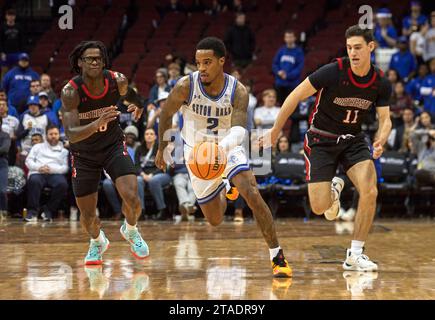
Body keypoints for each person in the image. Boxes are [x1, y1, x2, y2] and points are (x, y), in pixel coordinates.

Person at [155, 37, 292, 278]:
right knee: (215, 219)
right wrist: (161, 148)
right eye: (198, 63)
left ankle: (277, 255)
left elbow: (239, 130)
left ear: (221, 61)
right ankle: (224, 186)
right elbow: (166, 115)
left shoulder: (238, 90)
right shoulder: (185, 86)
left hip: (228, 146)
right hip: (196, 153)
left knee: (252, 192)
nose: (202, 68)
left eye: (207, 62)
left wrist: (220, 148)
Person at [262, 25, 392, 271]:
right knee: (320, 208)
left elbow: (386, 119)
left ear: (371, 48)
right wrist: (275, 130)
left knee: (370, 190)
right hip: (321, 139)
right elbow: (294, 95)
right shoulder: (333, 71)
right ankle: (333, 191)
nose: (353, 52)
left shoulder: (380, 82)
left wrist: (381, 139)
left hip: (353, 140)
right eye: (349, 48)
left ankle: (355, 254)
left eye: (358, 48)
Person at [60, 41, 149, 265]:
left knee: (133, 198)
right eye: (89, 58)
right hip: (83, 155)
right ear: (80, 62)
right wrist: (97, 122)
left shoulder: (115, 80)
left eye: (98, 58)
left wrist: (139, 104)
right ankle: (97, 242)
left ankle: (130, 230)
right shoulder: (71, 91)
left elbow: (130, 94)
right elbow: (71, 133)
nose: (94, 62)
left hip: (113, 146)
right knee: (89, 216)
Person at [24, 125, 69, 222]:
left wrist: (51, 169)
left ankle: (48, 210)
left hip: (55, 173)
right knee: (34, 181)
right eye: (51, 134)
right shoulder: (37, 147)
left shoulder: (64, 151)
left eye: (56, 134)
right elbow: (28, 161)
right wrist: (39, 168)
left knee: (63, 184)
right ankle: (32, 212)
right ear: (46, 135)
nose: (53, 136)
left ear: (59, 135)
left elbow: (65, 167)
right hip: (38, 172)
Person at [272, 29, 305, 105]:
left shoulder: (299, 51)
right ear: (284, 38)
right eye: (287, 37)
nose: (289, 39)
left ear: (294, 38)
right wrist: (278, 72)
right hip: (280, 83)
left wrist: (287, 76)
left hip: (292, 84)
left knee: (291, 105)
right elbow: (275, 64)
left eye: (290, 37)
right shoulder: (281, 50)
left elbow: (299, 68)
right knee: (280, 105)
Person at [0, 117, 11, 220]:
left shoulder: (5, 135)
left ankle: (3, 211)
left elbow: (5, 149)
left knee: (2, 190)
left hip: (1, 163)